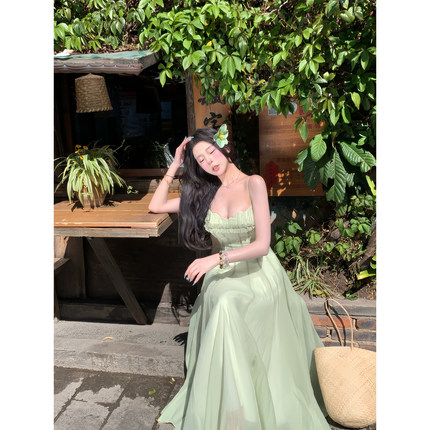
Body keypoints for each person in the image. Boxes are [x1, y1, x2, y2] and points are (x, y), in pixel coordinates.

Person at [148, 127, 330, 429]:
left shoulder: (253, 183)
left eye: (211, 152)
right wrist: (175, 163)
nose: (209, 161)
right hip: (224, 277)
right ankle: (233, 405)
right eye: (200, 160)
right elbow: (155, 206)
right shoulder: (203, 193)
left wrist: (215, 258)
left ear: (224, 148)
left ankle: (245, 406)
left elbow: (262, 245)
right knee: (224, 302)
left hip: (258, 272)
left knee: (227, 303)